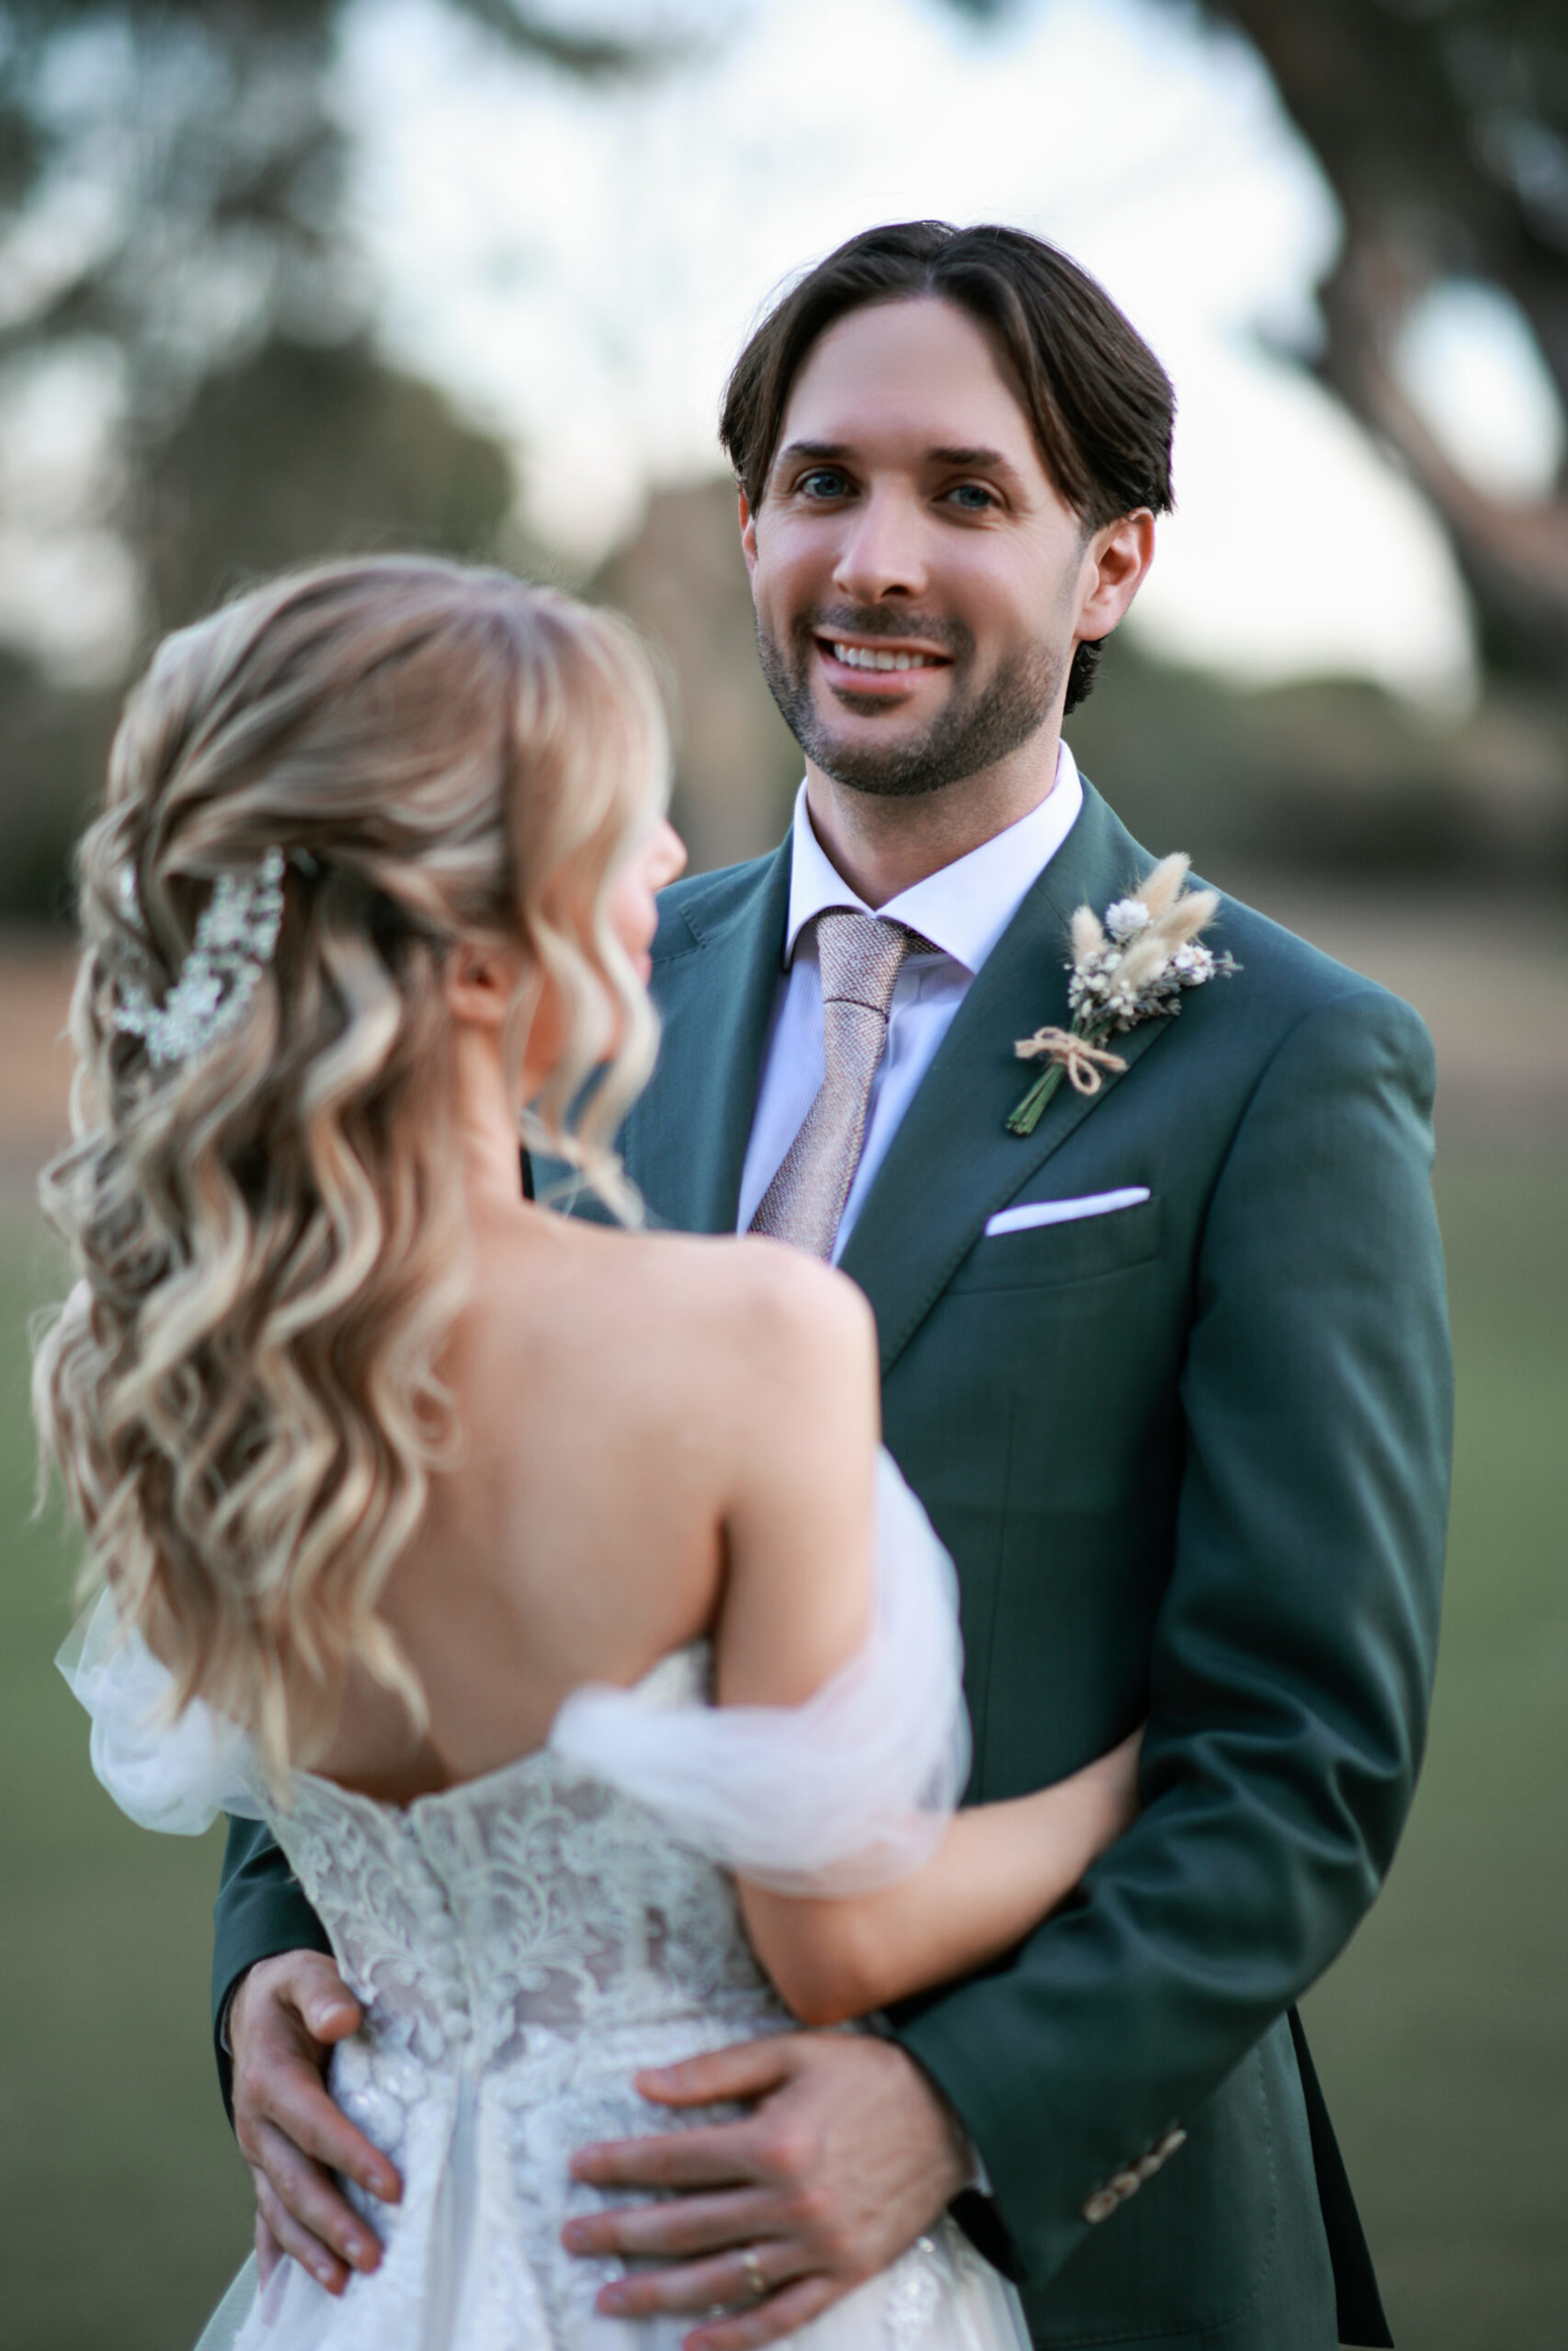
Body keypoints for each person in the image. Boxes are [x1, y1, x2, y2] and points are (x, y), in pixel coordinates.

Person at [212, 223, 1452, 2351]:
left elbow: (1304, 1749)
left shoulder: (1284, 1055)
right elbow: (356, 1510)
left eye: (968, 495)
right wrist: (268, 1954)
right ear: (753, 521)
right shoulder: (554, 985)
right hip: (510, 2228)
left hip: (1075, 2254)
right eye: (823, 483)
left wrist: (961, 2110)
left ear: (1112, 566)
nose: (875, 556)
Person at [44, 554, 1150, 2351]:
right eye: (617, 826)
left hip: (368, 2270)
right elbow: (834, 1944)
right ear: (478, 950)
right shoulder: (745, 1342)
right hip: (715, 2268)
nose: (668, 871)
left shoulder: (185, 1381)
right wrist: (1131, 1774)